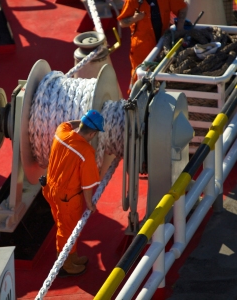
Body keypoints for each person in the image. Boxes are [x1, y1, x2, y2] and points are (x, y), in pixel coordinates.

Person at [42, 109, 104, 277]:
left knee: (63, 224)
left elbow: (69, 123)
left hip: (49, 188)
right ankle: (65, 265)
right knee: (66, 230)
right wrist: (90, 204)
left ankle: (72, 256)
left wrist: (85, 121)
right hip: (67, 198)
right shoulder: (86, 152)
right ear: (92, 134)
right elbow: (87, 185)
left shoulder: (61, 132)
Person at [117, 0, 188, 92]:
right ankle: (135, 99)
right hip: (142, 48)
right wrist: (134, 18)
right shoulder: (132, 1)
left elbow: (183, 8)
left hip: (163, 44)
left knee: (164, 73)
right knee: (139, 76)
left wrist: (179, 29)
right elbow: (122, 22)